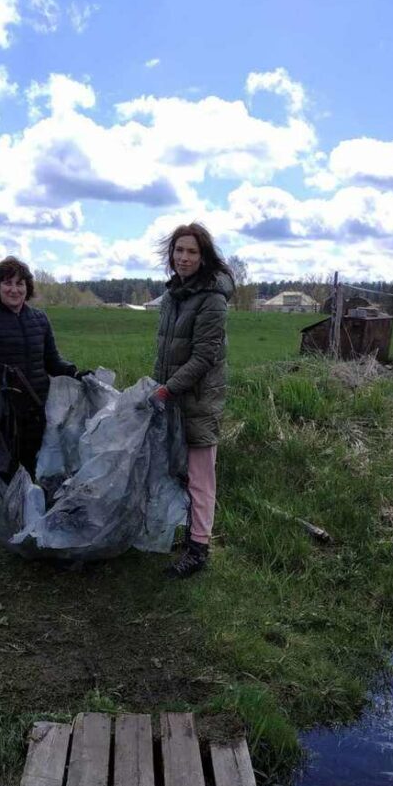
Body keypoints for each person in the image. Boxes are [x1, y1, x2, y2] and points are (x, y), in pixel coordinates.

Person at [0, 255, 90, 550]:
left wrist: (74, 373)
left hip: (36, 406)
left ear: (27, 287)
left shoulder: (39, 320)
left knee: (34, 467)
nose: (14, 289)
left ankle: (27, 521)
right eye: (7, 283)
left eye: (20, 283)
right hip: (0, 410)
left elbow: (52, 361)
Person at [153, 223, 234, 578]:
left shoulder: (212, 298)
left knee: (201, 478)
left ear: (204, 257)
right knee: (178, 472)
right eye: (179, 250)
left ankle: (199, 549)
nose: (183, 258)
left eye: (192, 252)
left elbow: (203, 358)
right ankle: (187, 534)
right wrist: (161, 387)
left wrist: (166, 389)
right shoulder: (173, 295)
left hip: (198, 400)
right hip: (172, 397)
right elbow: (165, 351)